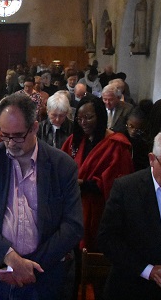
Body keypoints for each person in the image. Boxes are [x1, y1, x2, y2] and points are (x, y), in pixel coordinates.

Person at [0, 93, 83, 299]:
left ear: (34, 127)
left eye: (18, 135)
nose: (10, 143)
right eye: (5, 135)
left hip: (43, 275)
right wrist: (10, 257)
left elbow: (73, 226)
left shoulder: (62, 165)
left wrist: (28, 266)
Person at [98, 130, 161, 299]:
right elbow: (108, 239)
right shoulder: (126, 189)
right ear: (152, 159)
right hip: (131, 289)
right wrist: (148, 271)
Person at [61, 96, 133, 251]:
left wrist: (84, 184)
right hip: (74, 207)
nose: (83, 123)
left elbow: (117, 182)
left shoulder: (115, 144)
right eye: (79, 118)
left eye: (88, 117)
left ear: (100, 116)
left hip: (99, 209)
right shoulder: (75, 140)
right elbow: (60, 166)